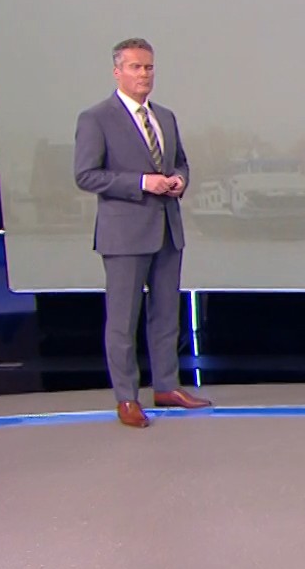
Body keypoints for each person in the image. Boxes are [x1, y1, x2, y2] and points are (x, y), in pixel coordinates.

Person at [73, 37, 213, 427]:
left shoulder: (164, 117)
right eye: (135, 67)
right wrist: (141, 182)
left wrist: (179, 180)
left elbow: (181, 162)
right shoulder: (96, 118)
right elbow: (86, 175)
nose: (144, 74)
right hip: (124, 235)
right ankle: (127, 399)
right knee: (122, 321)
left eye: (149, 67)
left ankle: (166, 386)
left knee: (166, 315)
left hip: (167, 230)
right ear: (117, 72)